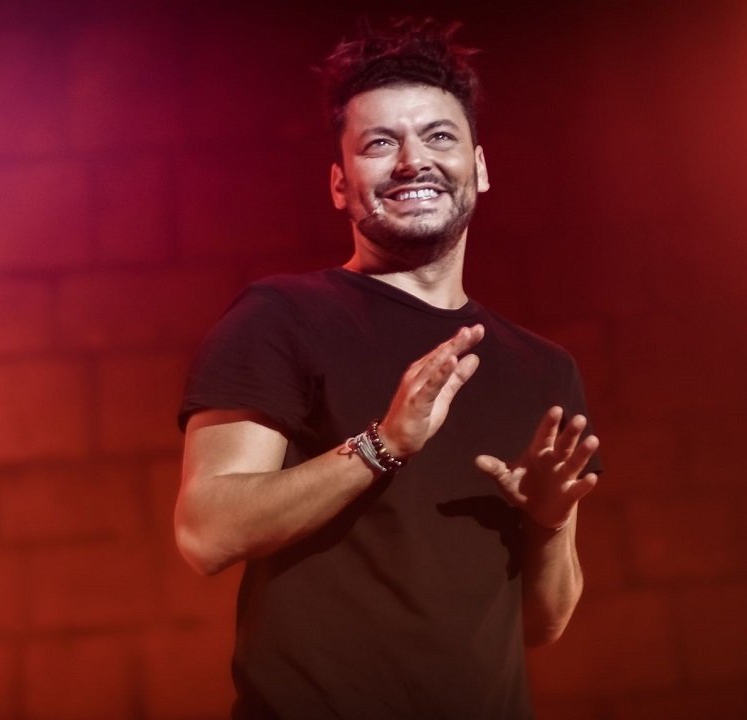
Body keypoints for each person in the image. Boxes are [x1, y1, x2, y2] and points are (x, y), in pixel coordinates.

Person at [176, 18, 602, 720]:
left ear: (480, 167)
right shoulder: (280, 318)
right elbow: (206, 532)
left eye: (439, 137)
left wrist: (549, 525)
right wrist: (383, 445)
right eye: (380, 144)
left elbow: (542, 625)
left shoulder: (543, 370)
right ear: (340, 185)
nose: (412, 162)